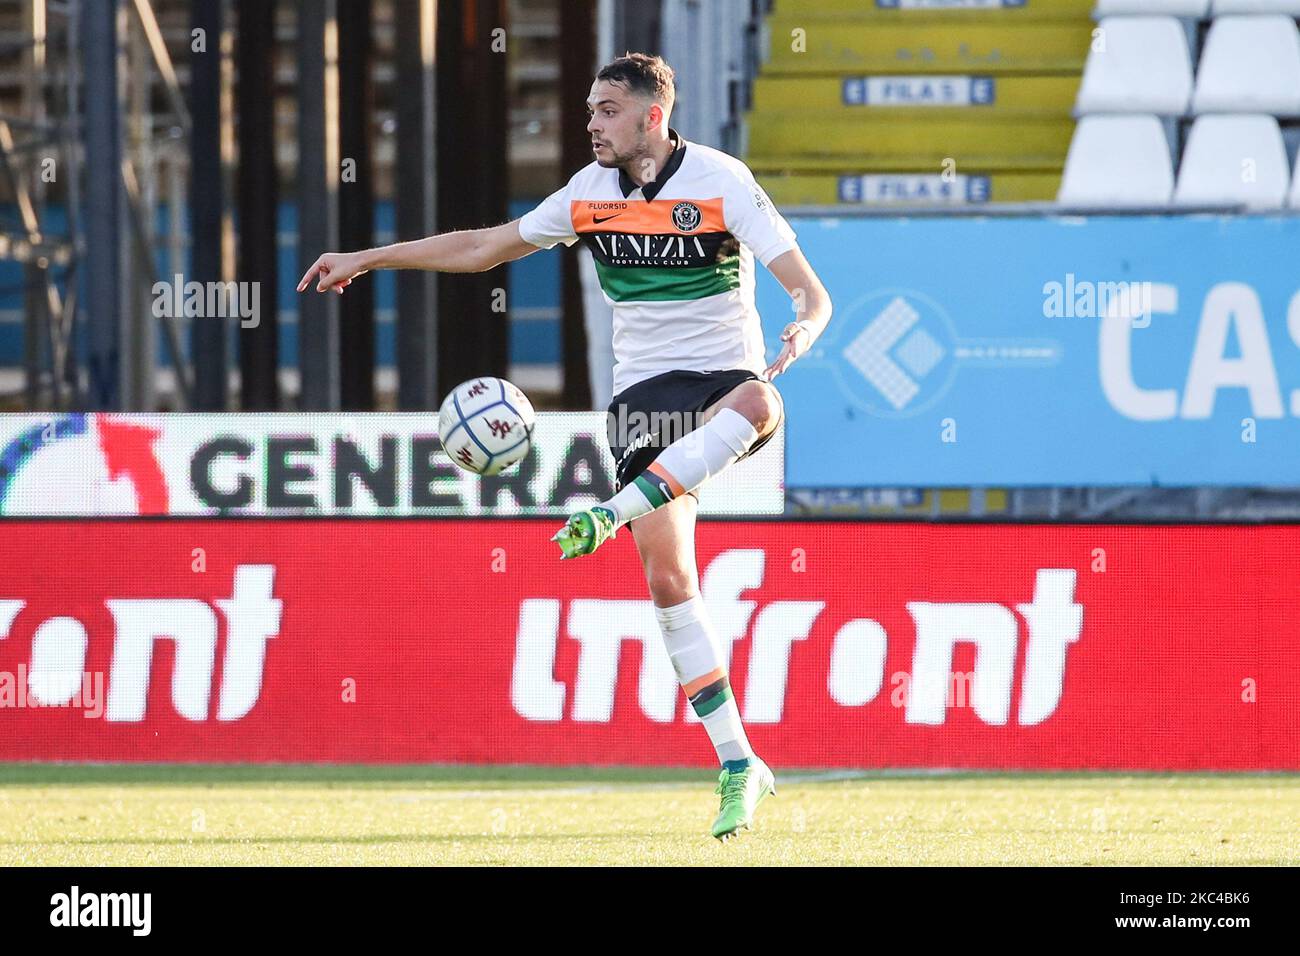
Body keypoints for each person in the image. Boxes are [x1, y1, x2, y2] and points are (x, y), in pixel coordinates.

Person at [298, 53, 833, 841]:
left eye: (608, 110)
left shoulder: (721, 179)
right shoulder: (588, 197)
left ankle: (609, 514)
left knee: (759, 402)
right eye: (589, 109)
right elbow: (484, 247)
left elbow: (810, 291)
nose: (591, 123)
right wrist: (370, 257)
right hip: (642, 402)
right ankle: (738, 763)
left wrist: (805, 325)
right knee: (669, 577)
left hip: (721, 378)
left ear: (653, 116)